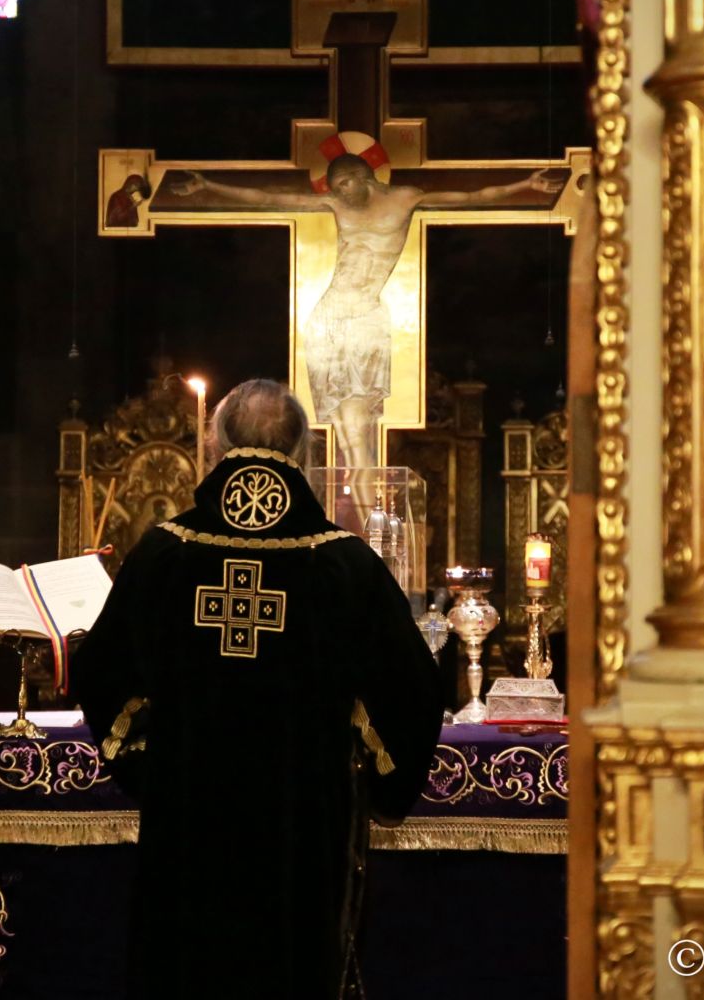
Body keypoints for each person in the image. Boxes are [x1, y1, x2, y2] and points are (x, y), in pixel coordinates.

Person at [72, 378, 443, 1000]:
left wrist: (151, 763)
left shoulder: (165, 552)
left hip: (187, 815)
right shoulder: (343, 561)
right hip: (301, 822)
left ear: (216, 445)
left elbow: (102, 671)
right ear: (301, 454)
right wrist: (371, 771)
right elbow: (410, 690)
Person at [174, 157, 566, 471]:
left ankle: (366, 535)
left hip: (366, 318)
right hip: (329, 318)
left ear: (362, 176)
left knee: (360, 437)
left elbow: (471, 196)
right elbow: (266, 198)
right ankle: (361, 531)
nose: (340, 193)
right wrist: (208, 186)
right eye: (335, 188)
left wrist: (525, 185)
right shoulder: (334, 204)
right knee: (346, 438)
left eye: (344, 183)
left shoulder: (406, 197)